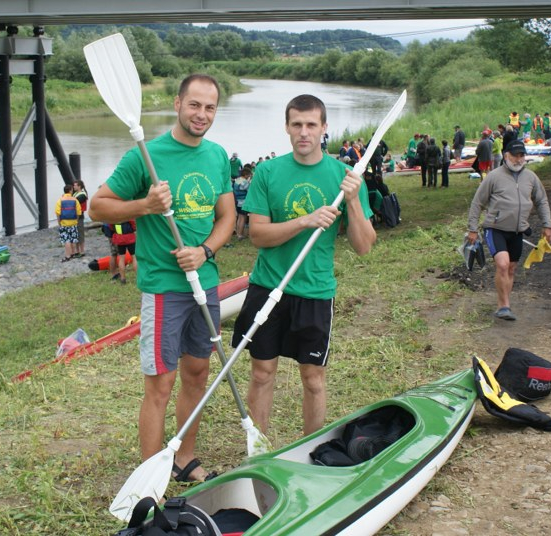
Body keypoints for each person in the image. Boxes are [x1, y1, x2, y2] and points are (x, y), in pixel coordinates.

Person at [88, 74, 235, 483]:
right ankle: (149, 476)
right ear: (177, 104)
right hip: (164, 287)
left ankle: (184, 458)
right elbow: (97, 208)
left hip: (204, 283)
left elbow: (226, 217)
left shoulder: (217, 156)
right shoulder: (146, 156)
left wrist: (205, 251)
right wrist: (146, 205)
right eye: (194, 105)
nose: (201, 114)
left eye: (209, 107)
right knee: (161, 383)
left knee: (198, 373)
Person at [231, 94, 376, 436]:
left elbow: (364, 246)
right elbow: (258, 235)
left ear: (324, 128)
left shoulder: (345, 177)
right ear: (287, 127)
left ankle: (311, 448)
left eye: (311, 124)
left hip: (315, 291)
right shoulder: (268, 172)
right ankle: (260, 452)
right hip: (268, 286)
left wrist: (353, 201)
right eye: (297, 124)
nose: (304, 132)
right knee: (262, 373)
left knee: (313, 379)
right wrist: (305, 221)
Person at [467, 140, 551, 321]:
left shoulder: (531, 177)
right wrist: (472, 229)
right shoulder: (494, 177)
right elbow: (477, 203)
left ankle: (505, 304)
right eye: (515, 155)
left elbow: (541, 201)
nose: (518, 159)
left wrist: (548, 225)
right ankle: (503, 306)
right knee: (502, 264)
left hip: (517, 231)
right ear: (506, 155)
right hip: (495, 228)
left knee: (511, 268)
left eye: (522, 155)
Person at [55, 184, 81, 262]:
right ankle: (73, 253)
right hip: (73, 222)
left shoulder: (60, 200)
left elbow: (58, 213)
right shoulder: (75, 200)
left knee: (67, 240)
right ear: (70, 191)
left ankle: (67, 256)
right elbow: (78, 212)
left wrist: (59, 222)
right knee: (73, 239)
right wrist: (76, 220)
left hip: (64, 223)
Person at [233, 166, 252, 239]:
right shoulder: (245, 182)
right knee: (243, 218)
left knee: (239, 218)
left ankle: (238, 233)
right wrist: (249, 182)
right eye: (249, 175)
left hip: (237, 201)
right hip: (243, 202)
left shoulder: (238, 180)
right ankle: (240, 235)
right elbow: (248, 190)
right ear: (246, 175)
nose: (249, 176)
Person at [72, 179, 88, 257]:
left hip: (80, 216)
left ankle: (82, 251)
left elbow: (75, 202)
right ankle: (77, 250)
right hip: (74, 215)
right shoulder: (75, 194)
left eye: (75, 185)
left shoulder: (83, 195)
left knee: (80, 233)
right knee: (75, 233)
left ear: (79, 186)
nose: (74, 187)